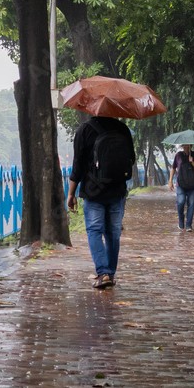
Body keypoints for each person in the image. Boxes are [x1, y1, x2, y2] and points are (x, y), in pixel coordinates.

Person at [66, 115, 135, 290]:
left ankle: (103, 272)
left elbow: (78, 165)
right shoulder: (123, 128)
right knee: (113, 232)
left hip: (93, 190)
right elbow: (131, 159)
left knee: (94, 230)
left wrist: (71, 193)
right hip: (117, 190)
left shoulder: (85, 129)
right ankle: (109, 273)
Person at [169, 144, 194, 231]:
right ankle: (181, 220)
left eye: (188, 146)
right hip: (181, 185)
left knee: (191, 205)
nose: (186, 147)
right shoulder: (178, 155)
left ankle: (188, 225)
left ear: (191, 146)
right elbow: (173, 167)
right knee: (181, 202)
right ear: (183, 146)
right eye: (184, 146)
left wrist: (192, 162)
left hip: (192, 185)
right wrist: (170, 181)